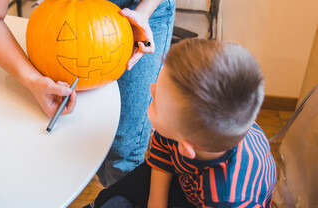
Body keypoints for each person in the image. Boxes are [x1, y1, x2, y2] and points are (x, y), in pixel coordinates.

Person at [0, 0, 188, 187]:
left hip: (142, 7)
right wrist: (33, 81)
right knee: (75, 130)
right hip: (69, 18)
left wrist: (144, 11)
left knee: (123, 146)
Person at [85, 38, 277, 208]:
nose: (151, 88)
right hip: (185, 179)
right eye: (157, 84)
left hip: (207, 195)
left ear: (185, 147)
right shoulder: (184, 124)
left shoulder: (230, 197)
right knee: (108, 199)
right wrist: (156, 202)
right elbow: (163, 149)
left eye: (157, 101)